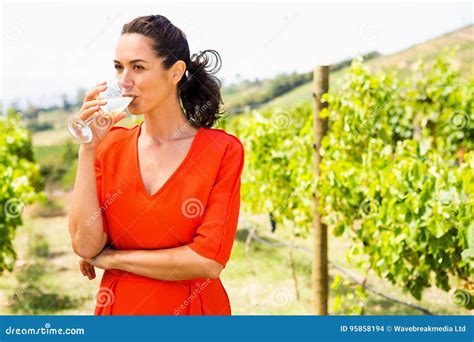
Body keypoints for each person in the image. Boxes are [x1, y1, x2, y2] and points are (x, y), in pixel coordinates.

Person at [68, 14, 244, 315]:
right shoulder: (108, 146)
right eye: (118, 68)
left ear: (175, 72)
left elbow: (207, 262)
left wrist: (112, 260)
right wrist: (88, 147)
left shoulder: (222, 151)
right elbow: (86, 246)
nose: (123, 82)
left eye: (138, 67)